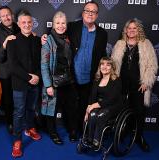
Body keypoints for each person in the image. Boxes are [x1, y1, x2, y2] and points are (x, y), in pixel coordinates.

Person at [42, 1, 108, 135]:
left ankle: (78, 130)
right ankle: (70, 129)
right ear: (83, 13)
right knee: (68, 106)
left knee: (83, 106)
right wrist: (44, 37)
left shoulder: (102, 34)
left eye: (93, 11)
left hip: (89, 78)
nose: (90, 14)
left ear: (97, 15)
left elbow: (103, 56)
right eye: (87, 11)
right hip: (70, 77)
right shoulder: (72, 27)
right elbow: (57, 31)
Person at [111, 19, 158, 152]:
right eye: (129, 28)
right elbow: (113, 65)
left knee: (139, 112)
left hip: (139, 86)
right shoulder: (120, 44)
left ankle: (139, 136)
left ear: (139, 30)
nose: (131, 30)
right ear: (125, 30)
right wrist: (114, 81)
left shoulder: (145, 44)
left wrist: (146, 82)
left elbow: (152, 65)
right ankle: (123, 132)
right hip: (122, 85)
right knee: (122, 110)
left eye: (134, 28)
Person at [6, 10, 41, 157]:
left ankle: (30, 128)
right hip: (20, 83)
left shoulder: (37, 40)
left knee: (31, 108)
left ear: (32, 23)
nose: (27, 25)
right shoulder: (12, 41)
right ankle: (17, 141)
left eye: (29, 22)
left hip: (35, 82)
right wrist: (29, 77)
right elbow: (13, 66)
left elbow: (41, 61)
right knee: (19, 112)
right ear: (18, 24)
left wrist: (37, 76)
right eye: (23, 22)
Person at [41, 11, 78, 145]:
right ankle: (52, 132)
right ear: (53, 24)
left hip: (68, 80)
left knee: (71, 108)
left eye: (63, 23)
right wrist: (48, 85)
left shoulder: (68, 38)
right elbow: (44, 65)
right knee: (52, 109)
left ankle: (72, 131)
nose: (61, 26)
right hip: (54, 82)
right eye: (58, 23)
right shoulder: (47, 41)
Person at [0, 6, 20, 134]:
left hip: (21, 72)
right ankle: (10, 123)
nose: (6, 17)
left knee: (21, 99)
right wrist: (4, 44)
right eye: (3, 16)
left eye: (8, 14)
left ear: (12, 15)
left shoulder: (21, 29)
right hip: (6, 73)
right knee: (8, 101)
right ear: (0, 18)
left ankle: (21, 121)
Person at [84, 57, 123, 150]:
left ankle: (96, 141)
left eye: (108, 65)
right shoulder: (97, 80)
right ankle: (90, 139)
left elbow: (112, 99)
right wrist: (87, 111)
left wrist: (94, 105)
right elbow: (92, 97)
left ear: (112, 67)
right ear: (99, 66)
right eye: (102, 64)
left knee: (101, 114)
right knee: (93, 114)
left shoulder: (116, 80)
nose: (104, 67)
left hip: (113, 106)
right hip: (99, 104)